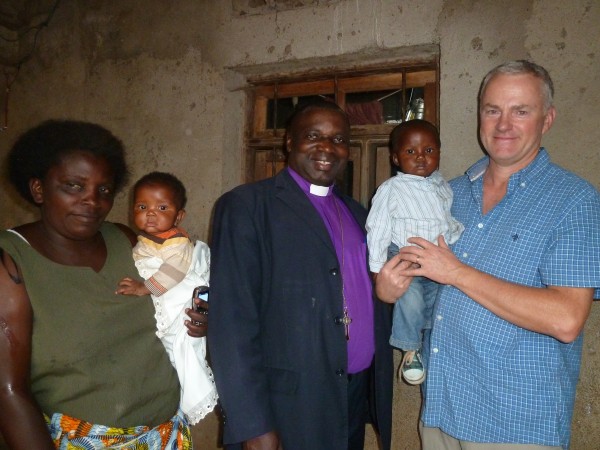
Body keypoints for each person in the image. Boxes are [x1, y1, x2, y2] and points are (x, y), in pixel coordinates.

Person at [383, 60, 600, 449]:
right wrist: (386, 287)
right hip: (440, 413)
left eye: (521, 111)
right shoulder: (445, 195)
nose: (504, 124)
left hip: (514, 426)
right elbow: (414, 284)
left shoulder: (573, 200)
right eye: (493, 110)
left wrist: (457, 272)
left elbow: (566, 318)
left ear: (547, 119)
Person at [0, 120, 209, 450]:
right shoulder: (10, 262)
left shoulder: (126, 240)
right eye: (73, 186)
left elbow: (169, 303)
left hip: (167, 433)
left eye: (104, 190)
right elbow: (8, 391)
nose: (92, 201)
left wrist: (195, 319)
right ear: (39, 189)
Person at [208, 100, 394, 450]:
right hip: (286, 404)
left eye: (338, 139)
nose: (327, 148)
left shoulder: (357, 213)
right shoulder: (248, 206)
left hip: (350, 394)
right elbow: (231, 321)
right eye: (313, 136)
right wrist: (252, 423)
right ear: (289, 142)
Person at [116, 171, 218, 425]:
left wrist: (145, 287)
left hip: (176, 307)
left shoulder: (176, 243)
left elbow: (174, 272)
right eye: (142, 206)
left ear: (178, 216)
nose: (150, 213)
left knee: (181, 353)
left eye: (162, 207)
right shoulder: (147, 241)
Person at [365, 119, 463, 385]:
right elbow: (378, 227)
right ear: (396, 158)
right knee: (412, 298)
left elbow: (445, 219)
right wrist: (376, 270)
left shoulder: (443, 187)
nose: (421, 157)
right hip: (404, 256)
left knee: (439, 303)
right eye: (411, 152)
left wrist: (453, 240)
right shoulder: (392, 189)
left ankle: (428, 349)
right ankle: (409, 348)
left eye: (429, 151)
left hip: (437, 259)